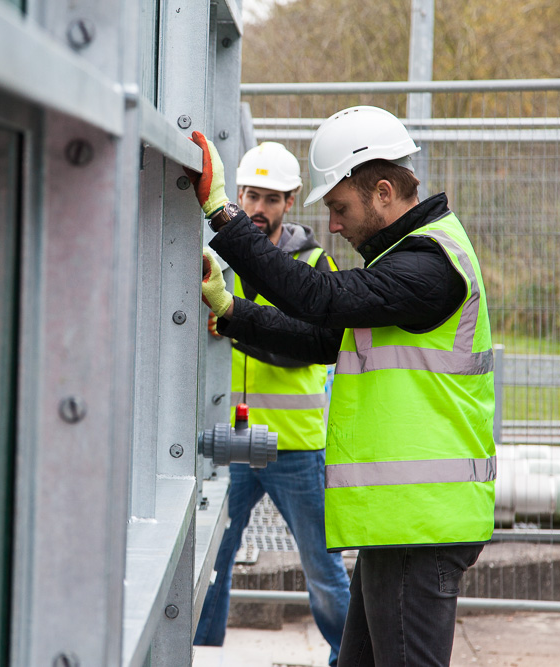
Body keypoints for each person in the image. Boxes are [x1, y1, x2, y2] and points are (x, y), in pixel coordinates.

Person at [188, 106, 496, 667]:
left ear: (382, 191)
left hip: (417, 525)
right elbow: (326, 337)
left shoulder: (430, 265)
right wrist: (232, 312)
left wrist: (222, 214)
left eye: (339, 207)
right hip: (401, 523)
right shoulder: (409, 260)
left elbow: (319, 299)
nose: (333, 225)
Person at [193, 142, 351, 666]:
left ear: (290, 203)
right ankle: (192, 651)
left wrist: (232, 325)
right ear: (237, 193)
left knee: (322, 567)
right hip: (230, 441)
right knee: (207, 556)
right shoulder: (217, 255)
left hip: (293, 446)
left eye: (270, 199)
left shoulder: (311, 265)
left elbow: (299, 346)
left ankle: (347, 658)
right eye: (250, 195)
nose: (257, 209)